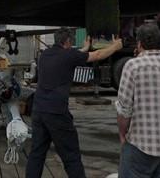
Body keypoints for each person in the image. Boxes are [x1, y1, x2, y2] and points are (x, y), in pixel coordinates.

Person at [26, 29, 124, 178]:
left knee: (36, 154)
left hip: (38, 111)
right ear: (68, 42)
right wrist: (116, 46)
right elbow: (97, 55)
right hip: (57, 113)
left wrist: (84, 48)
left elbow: (70, 55)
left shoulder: (45, 55)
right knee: (70, 155)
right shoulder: (69, 55)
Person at [116, 24, 160, 178]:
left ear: (139, 44)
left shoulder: (133, 66)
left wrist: (122, 133)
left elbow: (124, 109)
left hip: (140, 145)